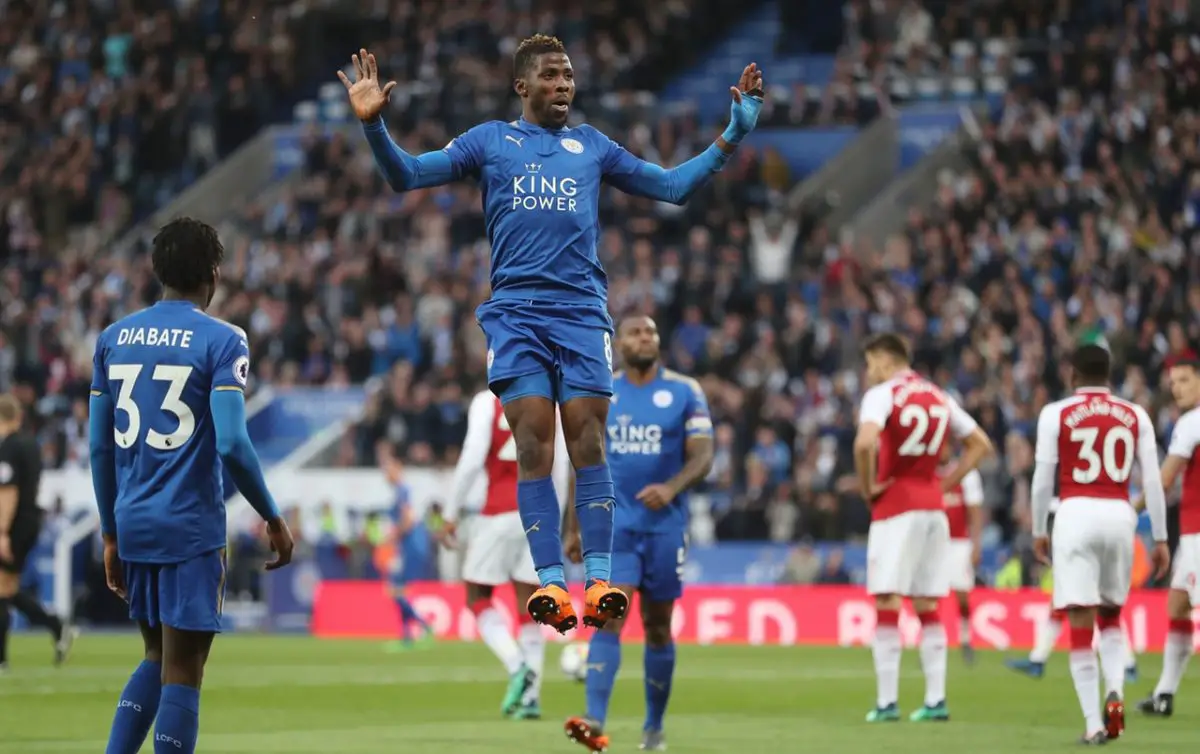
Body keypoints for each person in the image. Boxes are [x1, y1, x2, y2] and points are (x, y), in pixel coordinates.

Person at [338, 35, 763, 633]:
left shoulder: (594, 146)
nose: (564, 85)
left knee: (587, 440)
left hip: (581, 313)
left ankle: (599, 582)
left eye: (568, 76)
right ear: (522, 85)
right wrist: (374, 126)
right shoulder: (489, 141)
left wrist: (733, 135)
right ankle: (552, 586)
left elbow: (672, 187)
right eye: (551, 76)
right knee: (534, 445)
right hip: (516, 315)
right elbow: (406, 176)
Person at [89, 218, 295, 754]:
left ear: (158, 270)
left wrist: (110, 533)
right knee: (184, 668)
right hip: (189, 525)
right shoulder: (224, 340)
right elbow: (233, 443)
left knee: (156, 655)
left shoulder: (113, 339)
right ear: (214, 274)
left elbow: (99, 448)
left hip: (133, 521)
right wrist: (272, 517)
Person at [563, 315, 714, 752]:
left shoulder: (685, 391)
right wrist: (573, 526)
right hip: (616, 528)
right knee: (608, 615)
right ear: (619, 343)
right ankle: (594, 719)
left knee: (658, 627)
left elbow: (704, 455)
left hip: (666, 529)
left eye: (651, 332)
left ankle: (653, 728)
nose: (645, 338)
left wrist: (671, 488)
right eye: (635, 332)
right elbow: (584, 460)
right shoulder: (602, 392)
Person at [1029, 344, 1170, 744]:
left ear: (1072, 374)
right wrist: (1160, 537)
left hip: (1075, 514)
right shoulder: (1135, 414)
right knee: (1110, 616)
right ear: (1109, 375)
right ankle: (1116, 694)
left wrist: (1039, 529)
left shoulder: (1055, 413)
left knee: (1080, 622)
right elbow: (1154, 482)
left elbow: (1042, 480)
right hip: (1120, 515)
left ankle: (1094, 723)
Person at [854, 333, 994, 723]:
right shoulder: (939, 396)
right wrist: (945, 485)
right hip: (934, 510)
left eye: (871, 364)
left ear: (885, 360)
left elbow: (864, 444)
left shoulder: (882, 395)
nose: (869, 372)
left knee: (887, 600)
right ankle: (936, 700)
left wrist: (867, 488)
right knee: (927, 604)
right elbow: (981, 444)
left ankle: (887, 703)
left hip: (896, 507)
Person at [441, 388, 568, 718]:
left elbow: (472, 459)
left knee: (476, 595)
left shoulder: (488, 402)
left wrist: (451, 513)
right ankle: (531, 699)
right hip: (539, 514)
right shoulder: (551, 404)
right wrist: (555, 522)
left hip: (499, 512)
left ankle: (517, 666)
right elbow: (561, 467)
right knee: (531, 604)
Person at [1138, 358, 1200, 717]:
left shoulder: (1192, 422)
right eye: (1173, 382)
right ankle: (1164, 694)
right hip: (1191, 534)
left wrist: (1131, 507)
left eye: (1185, 380)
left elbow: (1163, 479)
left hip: (1198, 536)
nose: (1177, 388)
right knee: (1177, 605)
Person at [0, 394, 77, 671]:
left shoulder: (9, 447)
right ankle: (55, 625)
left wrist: (2, 532)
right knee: (8, 588)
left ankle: (2, 658)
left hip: (15, 524)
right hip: (31, 520)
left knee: (2, 588)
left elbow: (8, 492)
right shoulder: (31, 444)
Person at [939, 443, 984, 664]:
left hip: (959, 543)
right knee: (930, 597)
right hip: (935, 544)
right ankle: (934, 642)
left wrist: (976, 545)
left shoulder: (966, 474)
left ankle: (965, 638)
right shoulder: (927, 473)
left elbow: (975, 513)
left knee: (963, 597)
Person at [383, 458, 433, 652]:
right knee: (398, 590)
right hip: (408, 545)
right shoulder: (401, 491)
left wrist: (393, 535)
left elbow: (408, 519)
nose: (386, 475)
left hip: (411, 546)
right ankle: (406, 637)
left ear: (398, 470)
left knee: (395, 589)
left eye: (389, 470)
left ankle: (423, 625)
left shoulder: (403, 491)